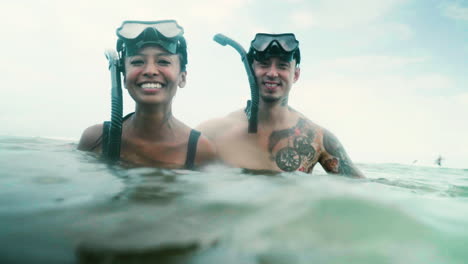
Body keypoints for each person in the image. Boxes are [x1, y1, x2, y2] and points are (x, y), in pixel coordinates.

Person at [197, 33, 364, 177]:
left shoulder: (317, 138)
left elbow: (362, 189)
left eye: (282, 66)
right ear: (251, 69)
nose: (272, 73)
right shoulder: (212, 133)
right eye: (264, 64)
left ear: (296, 75)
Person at [78, 20, 216, 169]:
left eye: (163, 61)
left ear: (182, 78)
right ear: (124, 78)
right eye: (137, 62)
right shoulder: (95, 139)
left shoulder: (200, 150)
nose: (150, 70)